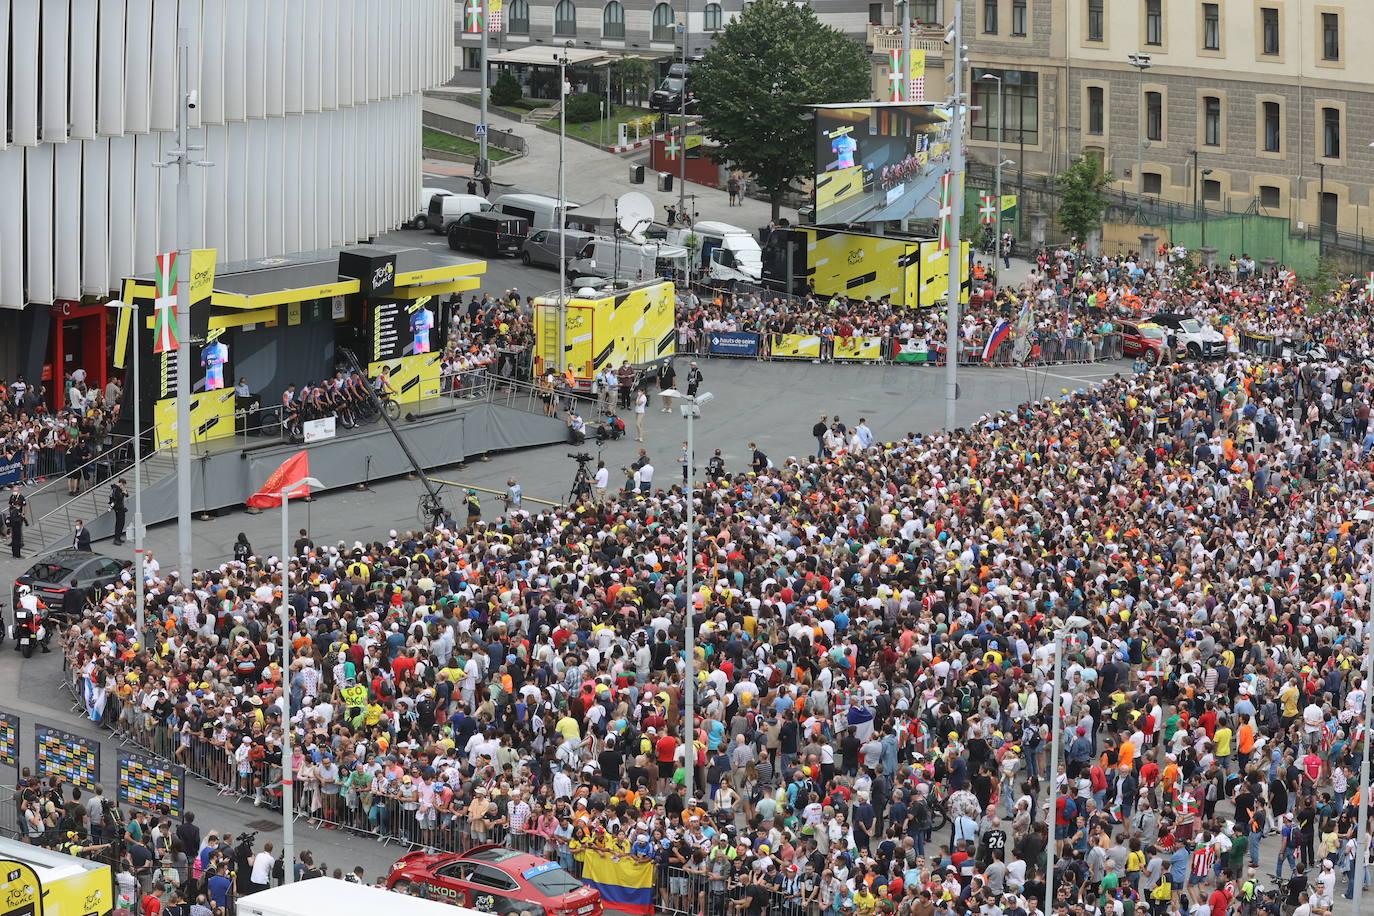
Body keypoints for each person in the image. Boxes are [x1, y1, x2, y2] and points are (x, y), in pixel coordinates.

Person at [109, 478, 128, 546]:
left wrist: (124, 491)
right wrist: (123, 491)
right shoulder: (115, 489)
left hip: (121, 508)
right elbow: (118, 498)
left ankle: (118, 537)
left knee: (121, 523)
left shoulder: (120, 489)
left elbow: (127, 495)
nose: (124, 487)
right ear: (121, 483)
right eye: (124, 485)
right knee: (119, 523)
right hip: (118, 508)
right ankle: (116, 539)